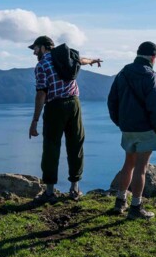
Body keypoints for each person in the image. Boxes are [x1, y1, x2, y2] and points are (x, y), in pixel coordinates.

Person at [28, 35, 102, 203]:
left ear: (43, 47)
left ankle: (49, 191)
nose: (34, 53)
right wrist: (92, 60)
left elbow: (41, 93)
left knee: (51, 147)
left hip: (55, 106)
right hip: (74, 105)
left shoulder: (42, 65)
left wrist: (34, 121)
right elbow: (80, 60)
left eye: (35, 49)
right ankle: (75, 188)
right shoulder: (67, 57)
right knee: (76, 144)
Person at [107, 41, 156, 219]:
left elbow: (112, 101)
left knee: (128, 164)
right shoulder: (150, 76)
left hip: (127, 127)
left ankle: (120, 201)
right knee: (141, 168)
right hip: (146, 128)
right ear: (153, 57)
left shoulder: (122, 73)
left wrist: (120, 122)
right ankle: (136, 207)